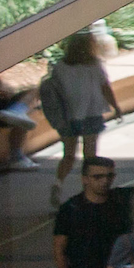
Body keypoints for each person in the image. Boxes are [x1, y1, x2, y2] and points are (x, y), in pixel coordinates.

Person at [41, 28, 120, 206]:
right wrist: (116, 107)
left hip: (67, 116)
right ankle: (88, 193)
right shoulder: (94, 65)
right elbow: (105, 87)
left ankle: (58, 183)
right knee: (90, 157)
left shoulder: (61, 66)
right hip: (91, 114)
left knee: (68, 155)